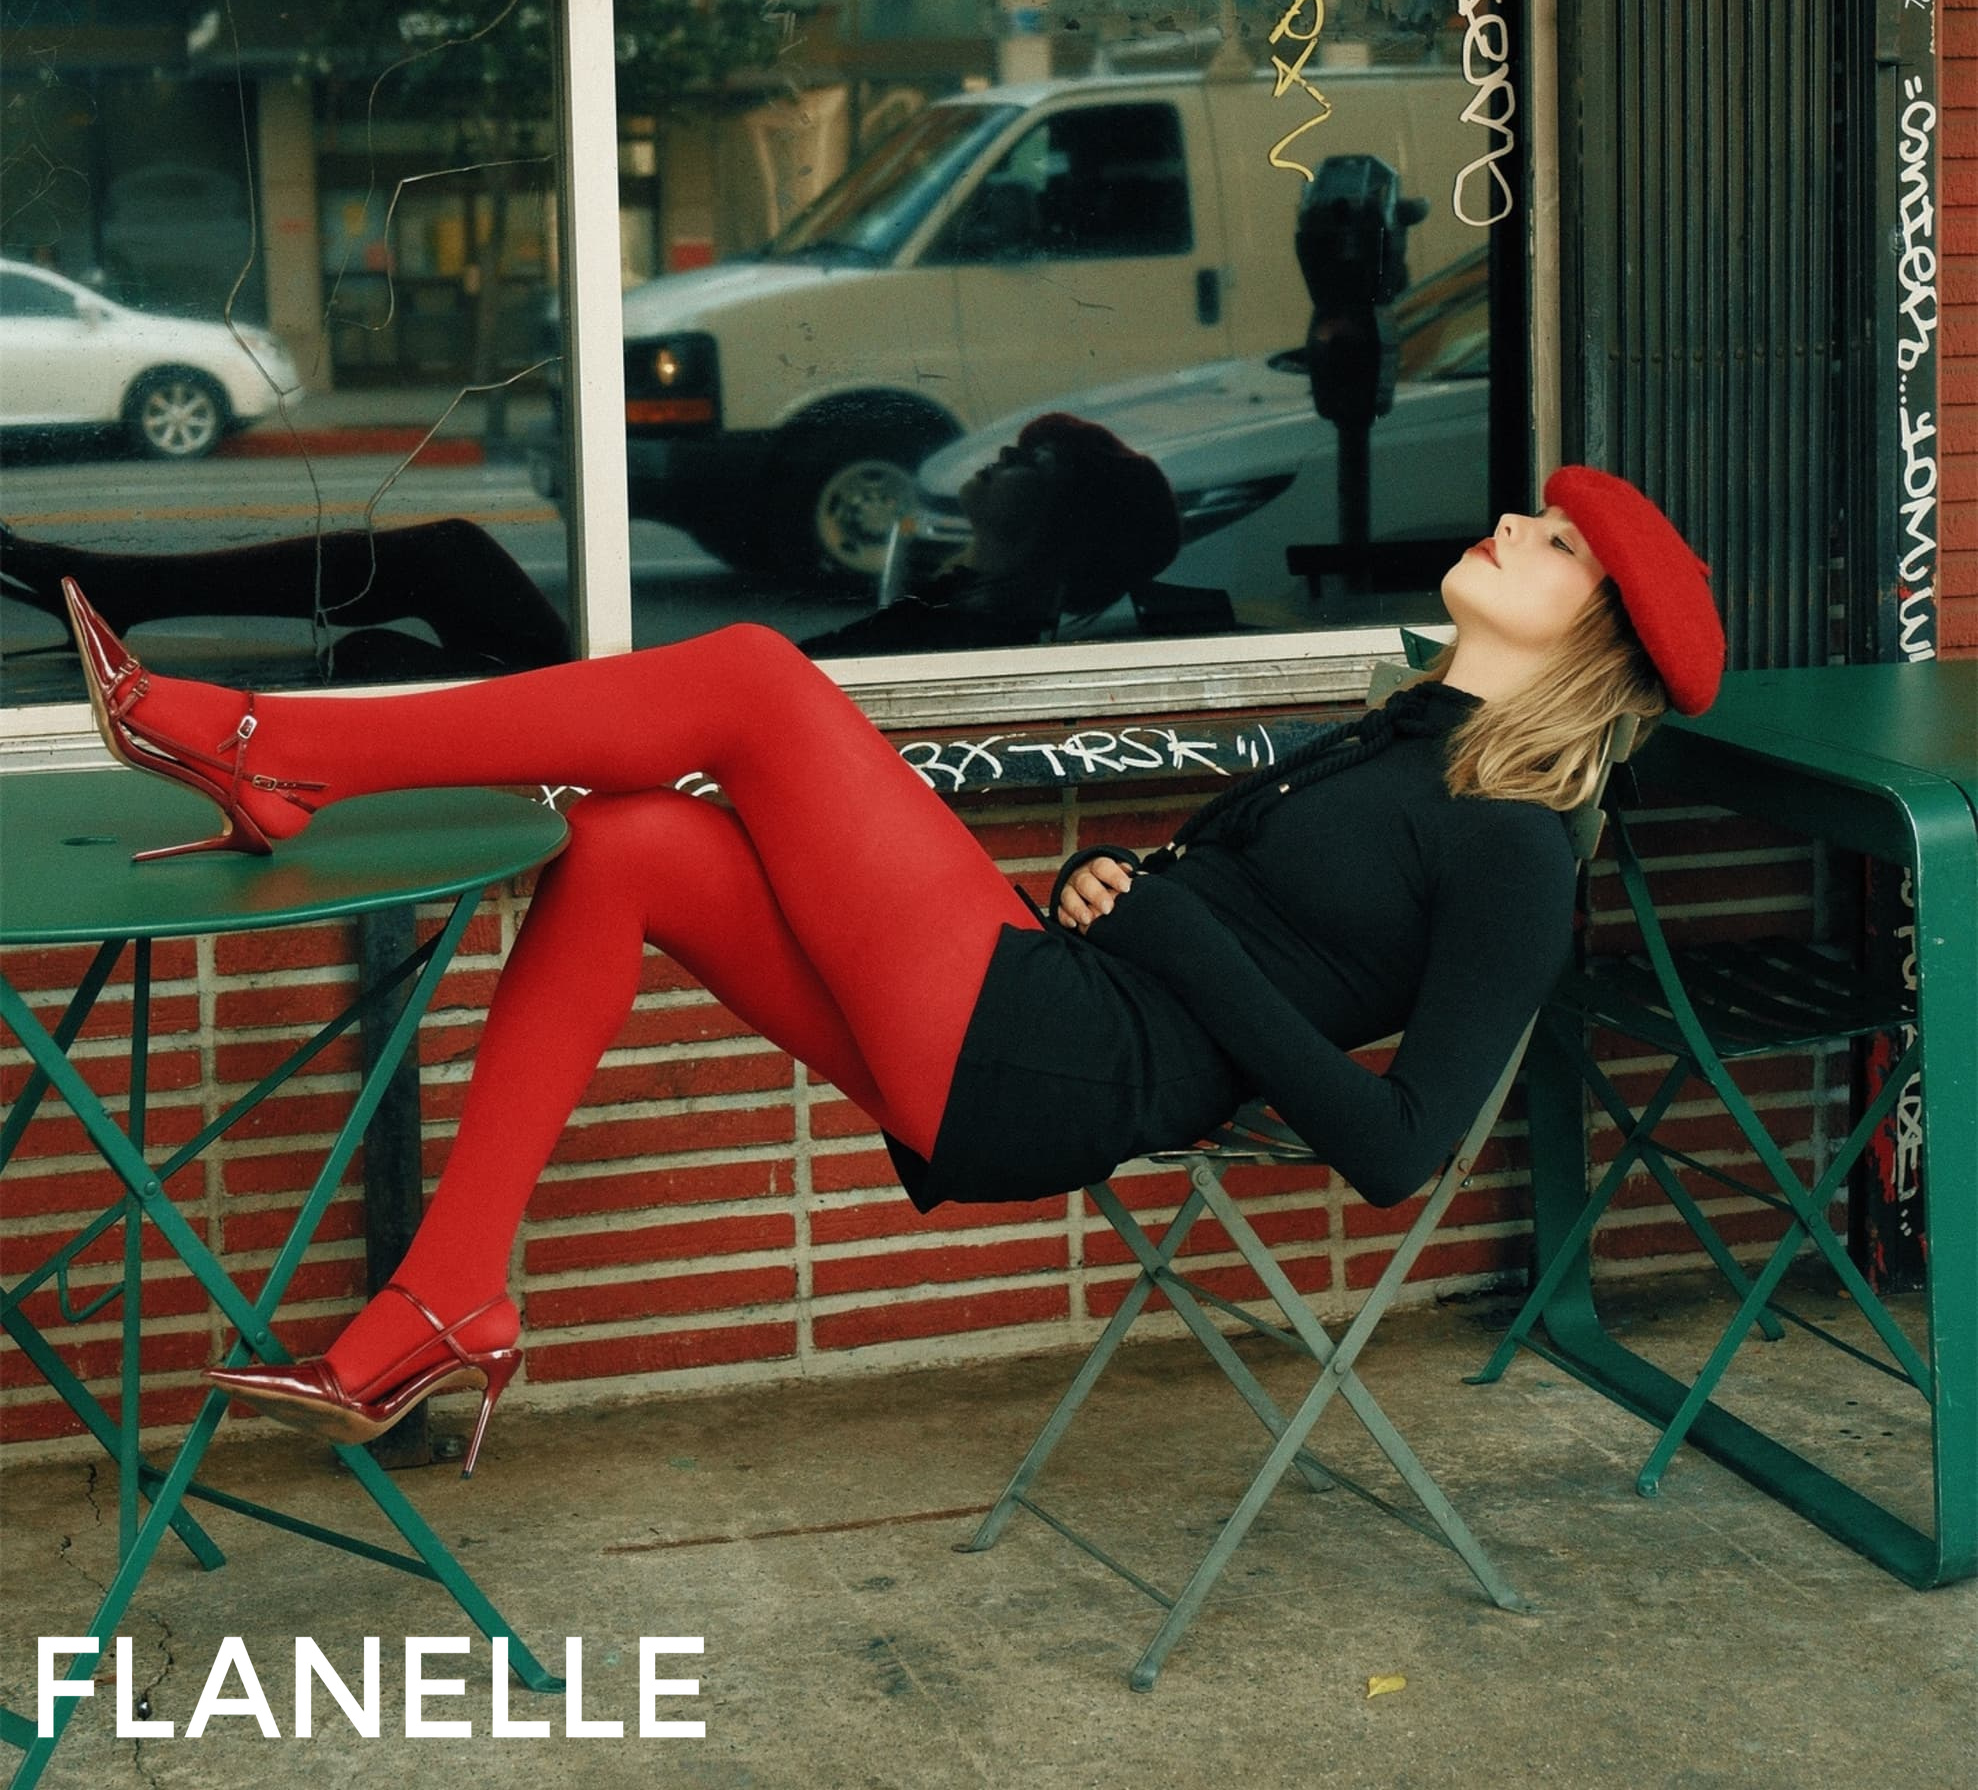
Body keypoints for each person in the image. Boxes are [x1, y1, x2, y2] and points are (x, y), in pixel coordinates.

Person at [58, 464, 1724, 1477]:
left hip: (1056, 1062)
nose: (1517, 524)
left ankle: (275, 748)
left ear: (1594, 641)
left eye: (1557, 545)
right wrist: (1150, 908)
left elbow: (1397, 1150)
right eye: (1538, 515)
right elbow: (1239, 919)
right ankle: (445, 1298)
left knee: (752, 680)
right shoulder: (1413, 735)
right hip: (1035, 1004)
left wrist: (1169, 934)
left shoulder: (1519, 847)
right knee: (628, 841)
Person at [801, 413, 1183, 658]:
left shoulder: (978, 638)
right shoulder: (953, 606)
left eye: (1038, 460)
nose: (1004, 454)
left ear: (1066, 524)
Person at [1, 517, 571, 679]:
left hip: (565, 696)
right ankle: (121, 589)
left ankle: (121, 589)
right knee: (451, 549)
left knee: (453, 552)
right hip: (553, 680)